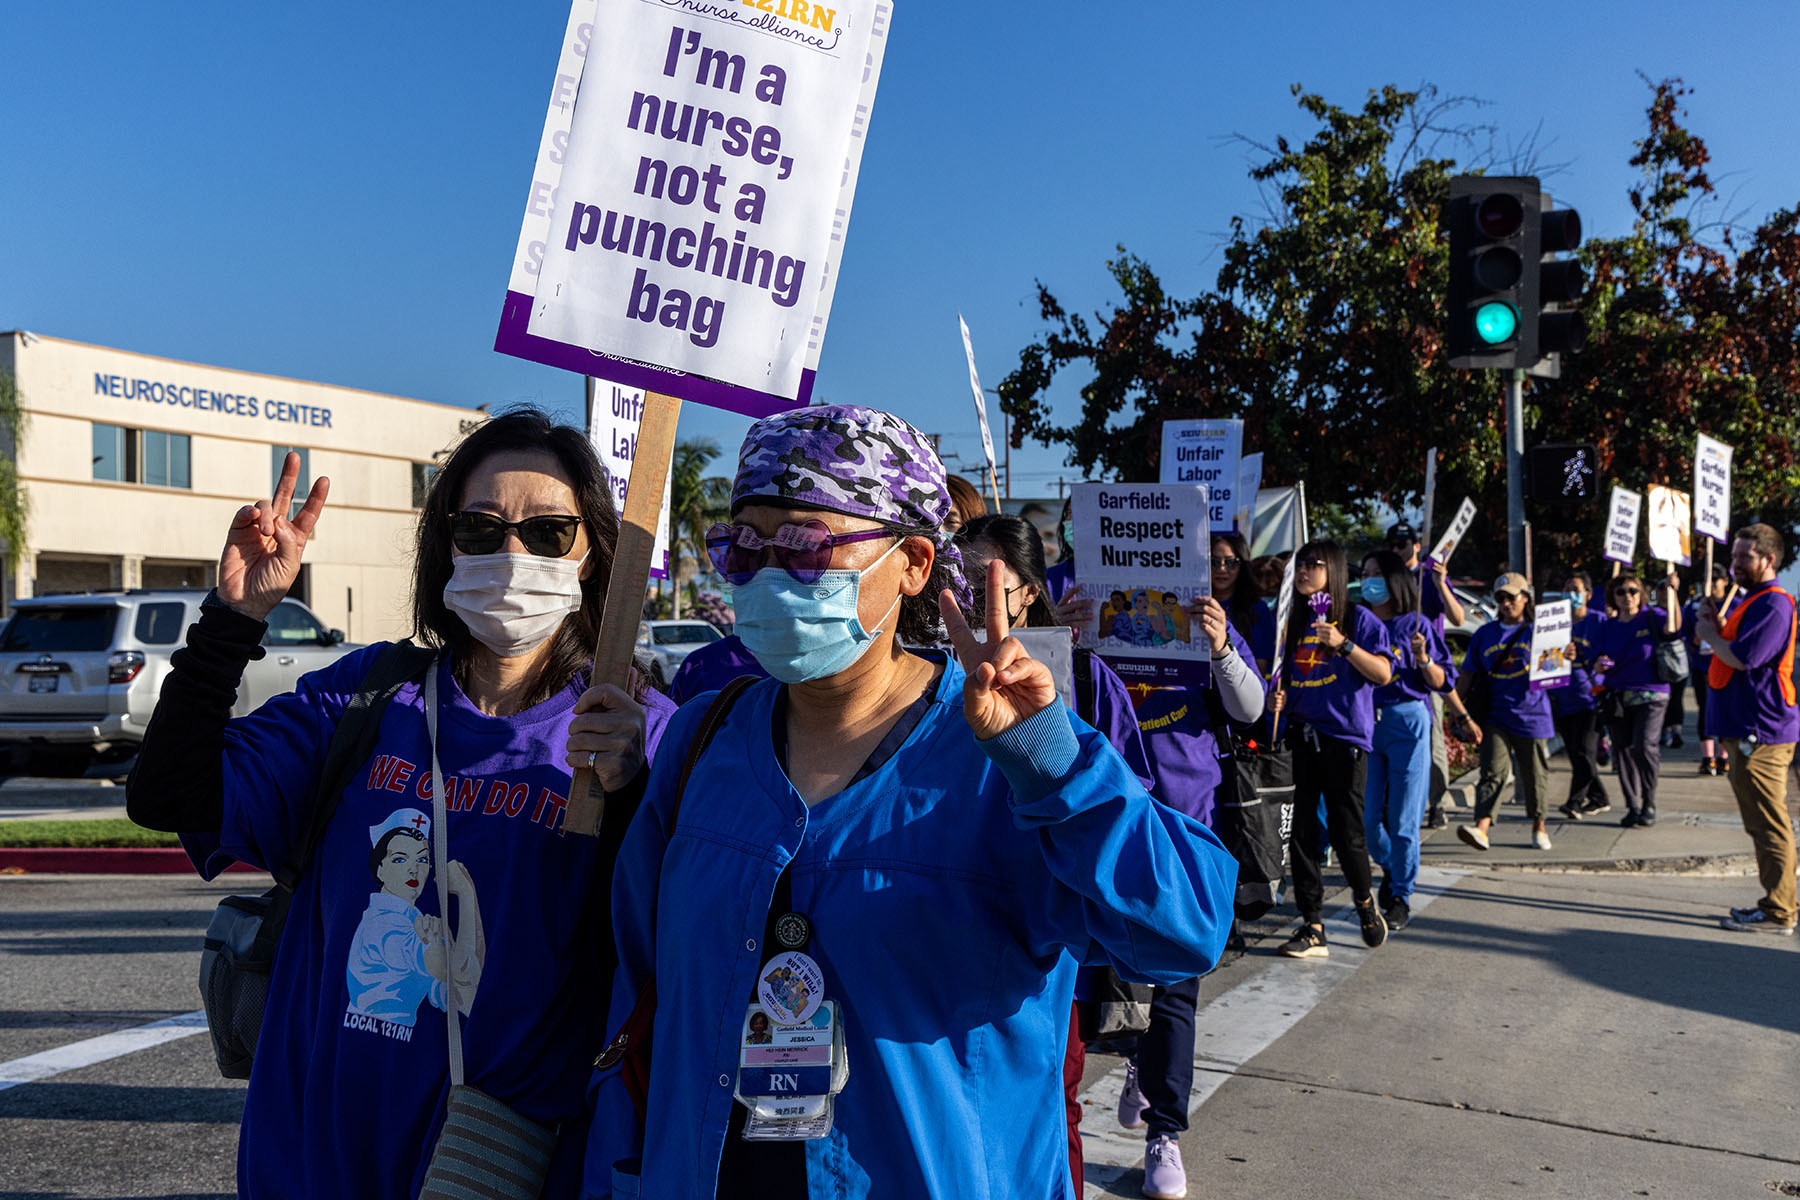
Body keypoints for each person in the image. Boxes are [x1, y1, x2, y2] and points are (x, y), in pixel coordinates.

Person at [582, 406, 1238, 1198]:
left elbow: (1187, 929)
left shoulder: (1003, 753)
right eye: (743, 545)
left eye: (803, 545)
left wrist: (1055, 764)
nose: (762, 572)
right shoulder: (700, 743)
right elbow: (639, 996)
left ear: (916, 563)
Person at [125, 410, 676, 1199]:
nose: (512, 554)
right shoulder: (365, 697)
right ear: (445, 547)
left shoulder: (637, 734)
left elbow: (669, 947)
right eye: (480, 529)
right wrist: (236, 617)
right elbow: (170, 794)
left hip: (501, 1166)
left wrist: (631, 796)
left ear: (594, 557)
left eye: (549, 533)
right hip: (315, 1153)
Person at [956, 513, 1157, 1198]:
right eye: (954, 579)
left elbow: (1132, 811)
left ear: (1029, 593)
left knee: (1048, 1105)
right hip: (943, 939)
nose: (966, 599)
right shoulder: (913, 681)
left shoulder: (1084, 680)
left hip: (1041, 943)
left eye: (986, 581)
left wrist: (1046, 749)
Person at [1268, 539, 1394, 958]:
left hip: (1344, 741)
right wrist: (1279, 701)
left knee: (1346, 833)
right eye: (1298, 564)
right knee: (1302, 834)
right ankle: (1312, 925)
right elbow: (1283, 677)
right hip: (1301, 736)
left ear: (1334, 570)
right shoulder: (1291, 623)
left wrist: (1343, 644)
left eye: (1312, 564)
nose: (1302, 571)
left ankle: (1363, 902)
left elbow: (1383, 673)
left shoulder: (1358, 619)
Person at [1695, 524, 1798, 935]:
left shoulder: (1774, 605)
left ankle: (1779, 910)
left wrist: (1708, 636)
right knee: (1759, 822)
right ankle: (1778, 901)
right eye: (1735, 556)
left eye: (1745, 557)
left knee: (1769, 822)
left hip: (1763, 731)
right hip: (1746, 728)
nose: (1736, 564)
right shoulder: (1752, 601)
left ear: (1769, 559)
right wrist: (1714, 624)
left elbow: (1745, 658)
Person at [1359, 551, 1456, 931]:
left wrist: (1423, 659)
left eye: (1377, 573)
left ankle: (1401, 893)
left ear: (1396, 580)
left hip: (1408, 723)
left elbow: (1442, 681)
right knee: (1368, 822)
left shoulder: (1415, 626)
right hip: (1367, 725)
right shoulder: (1360, 623)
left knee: (1403, 819)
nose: (1369, 580)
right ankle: (1391, 864)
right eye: (1364, 573)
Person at [1456, 574, 1556, 852]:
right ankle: (1482, 828)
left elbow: (1555, 669)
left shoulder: (1540, 631)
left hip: (1532, 713)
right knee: (1493, 771)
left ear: (1526, 598)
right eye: (1500, 598)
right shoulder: (1484, 635)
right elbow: (1468, 675)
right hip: (1495, 714)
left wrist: (1565, 655)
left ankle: (1539, 825)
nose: (1506, 603)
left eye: (1512, 597)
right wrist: (1457, 709)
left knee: (1534, 774)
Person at [1592, 570, 1683, 827]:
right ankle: (1633, 806)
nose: (1627, 596)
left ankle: (1649, 801)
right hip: (1617, 695)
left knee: (1644, 745)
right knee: (1622, 752)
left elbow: (1673, 629)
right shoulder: (1608, 627)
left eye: (1632, 591)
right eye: (1621, 592)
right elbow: (1598, 657)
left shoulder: (1652, 616)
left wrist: (1673, 593)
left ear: (1641, 594)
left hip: (1652, 693)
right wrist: (1599, 665)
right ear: (1613, 596)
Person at [1553, 572, 1613, 821]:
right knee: (1576, 752)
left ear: (1588, 595)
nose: (1571, 594)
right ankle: (1599, 798)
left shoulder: (1600, 622)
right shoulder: (1555, 622)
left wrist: (1601, 664)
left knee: (1585, 752)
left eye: (1576, 589)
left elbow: (1610, 655)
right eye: (1567, 589)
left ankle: (1574, 802)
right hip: (1562, 697)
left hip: (1590, 697)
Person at [1685, 565, 1735, 775]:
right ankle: (1708, 757)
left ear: (1725, 581)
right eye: (1708, 579)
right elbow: (1685, 633)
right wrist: (1695, 640)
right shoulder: (1696, 607)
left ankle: (1724, 756)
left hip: (1726, 666)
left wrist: (1726, 627)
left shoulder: (1735, 606)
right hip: (1702, 666)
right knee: (1705, 710)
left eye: (1716, 579)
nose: (1712, 584)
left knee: (1725, 710)